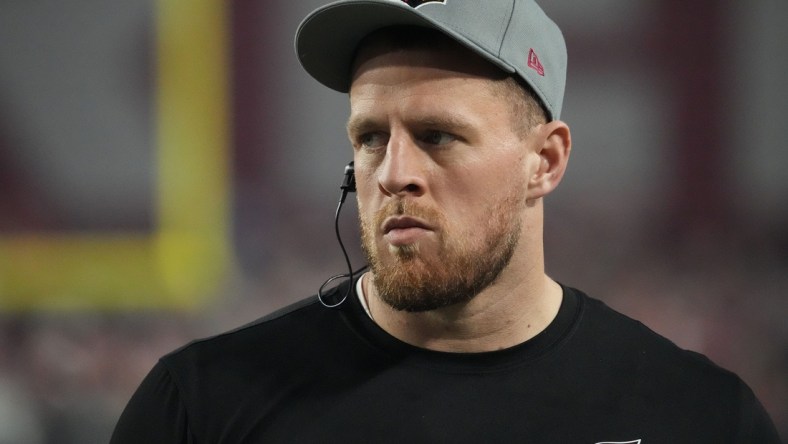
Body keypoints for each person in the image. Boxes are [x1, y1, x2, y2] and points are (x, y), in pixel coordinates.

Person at [111, 0, 781, 442]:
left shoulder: (699, 418)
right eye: (371, 137)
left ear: (544, 161)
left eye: (437, 136)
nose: (393, 172)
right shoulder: (200, 408)